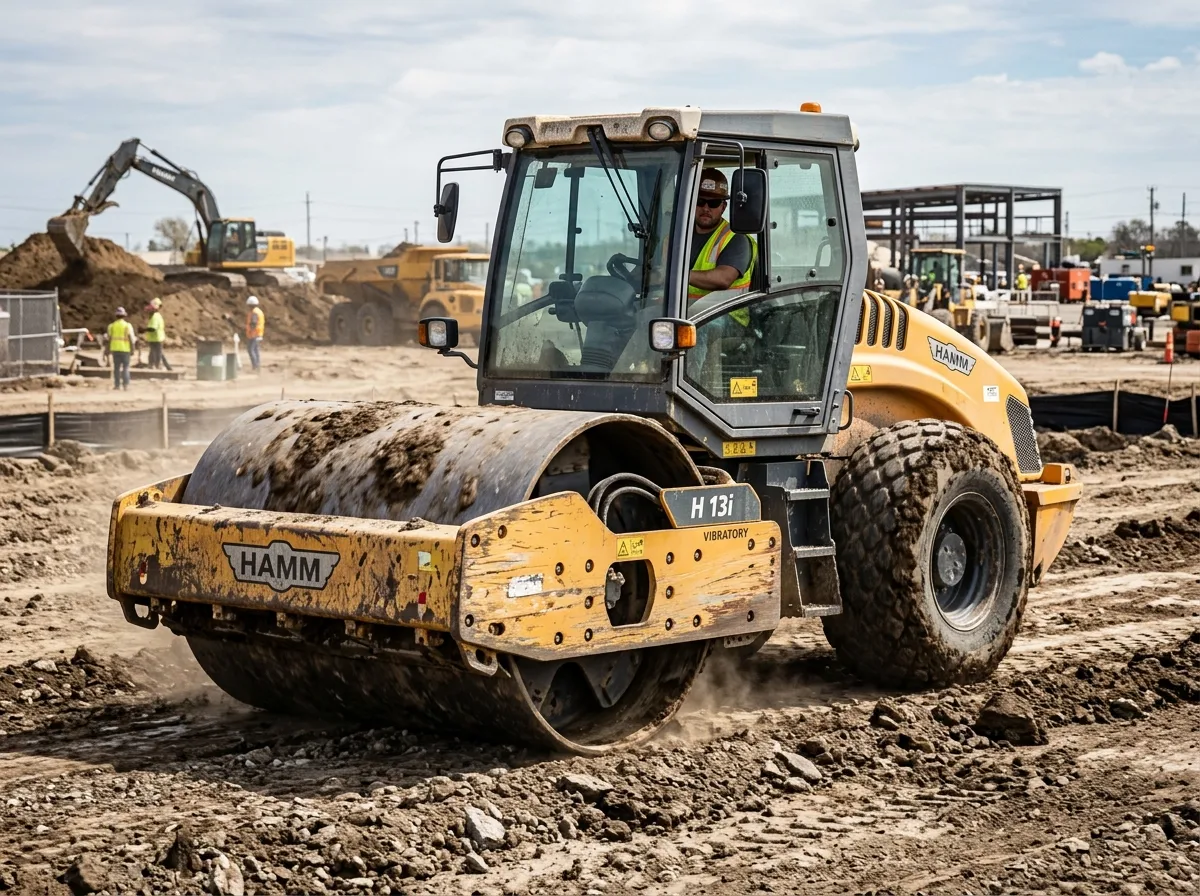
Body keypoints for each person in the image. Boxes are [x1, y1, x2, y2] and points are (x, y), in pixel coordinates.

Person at [687, 168, 756, 302]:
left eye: (713, 203)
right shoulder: (678, 236)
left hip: (723, 316)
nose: (706, 208)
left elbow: (724, 279)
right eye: (700, 201)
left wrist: (676, 276)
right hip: (684, 311)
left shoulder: (736, 238)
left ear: (723, 207)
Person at [107, 307, 136, 390]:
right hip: (125, 350)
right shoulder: (127, 326)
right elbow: (131, 338)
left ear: (116, 316)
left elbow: (109, 339)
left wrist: (107, 350)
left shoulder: (111, 326)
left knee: (116, 368)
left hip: (115, 349)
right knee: (126, 368)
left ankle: (117, 385)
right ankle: (125, 385)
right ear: (124, 316)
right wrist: (133, 349)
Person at [141, 297, 172, 371]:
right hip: (156, 338)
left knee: (157, 354)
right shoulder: (156, 316)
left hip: (156, 338)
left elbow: (152, 328)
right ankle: (165, 367)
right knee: (156, 353)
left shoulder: (155, 317)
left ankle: (156, 366)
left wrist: (143, 330)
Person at [244, 295, 265, 372]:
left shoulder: (254, 313)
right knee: (256, 350)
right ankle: (257, 366)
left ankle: (255, 367)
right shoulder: (259, 311)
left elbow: (253, 323)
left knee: (251, 350)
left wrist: (250, 332)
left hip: (254, 334)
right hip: (258, 333)